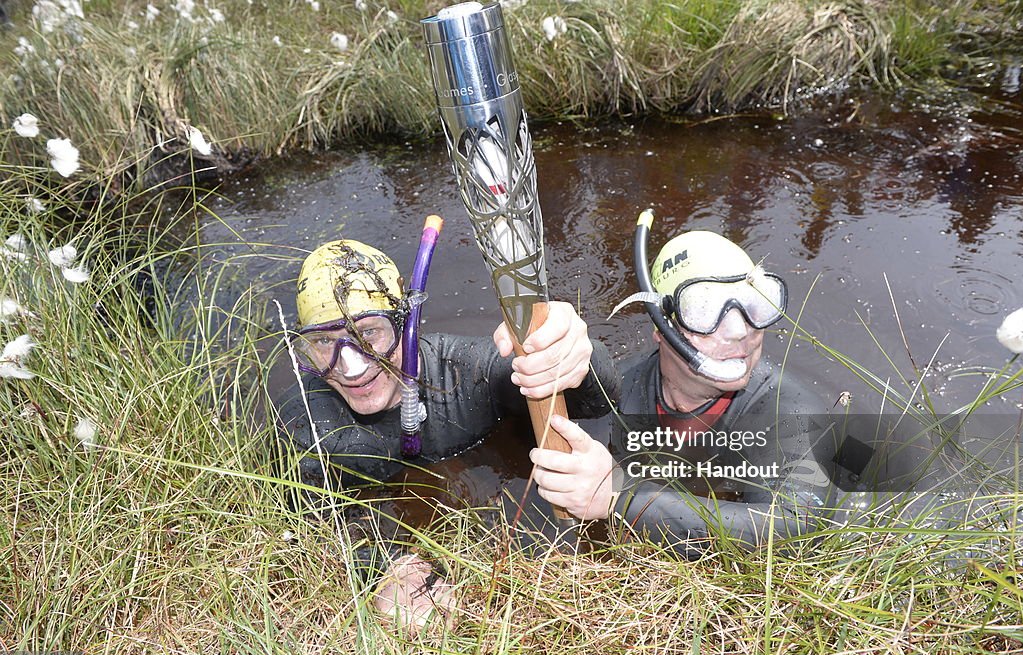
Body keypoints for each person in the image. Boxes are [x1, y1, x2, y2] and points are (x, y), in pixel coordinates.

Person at [274, 239, 617, 629]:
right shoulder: (306, 424)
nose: (350, 367)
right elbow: (301, 525)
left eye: (369, 333)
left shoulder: (467, 374)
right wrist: (382, 569)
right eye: (323, 342)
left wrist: (575, 356)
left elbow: (600, 401)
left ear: (408, 325)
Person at [529, 227, 841, 557]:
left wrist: (619, 497)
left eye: (755, 305)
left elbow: (798, 529)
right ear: (662, 328)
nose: (740, 332)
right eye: (704, 310)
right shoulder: (625, 387)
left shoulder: (790, 411)